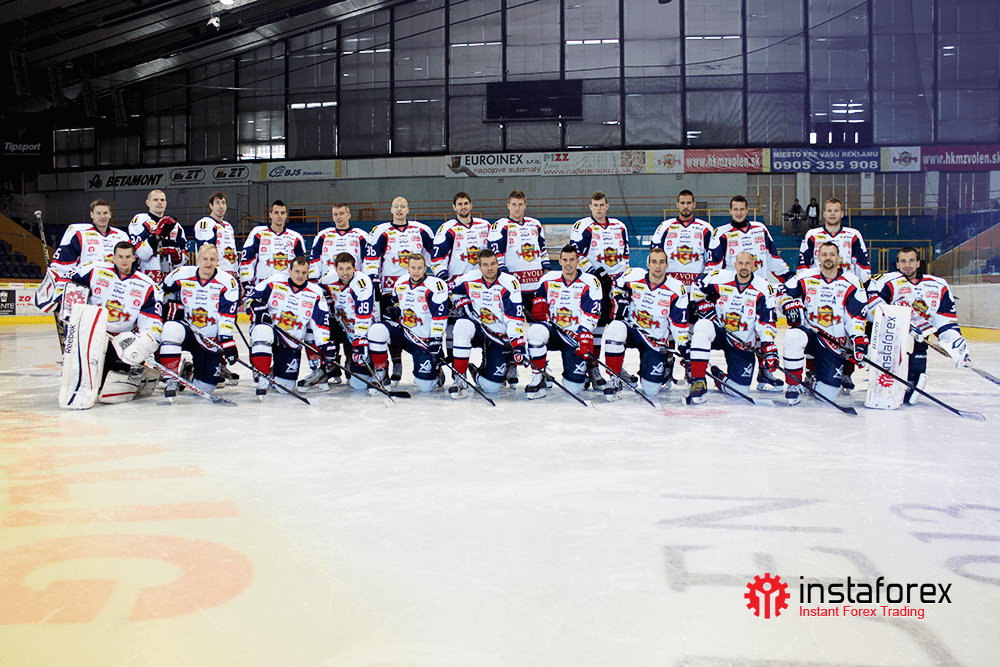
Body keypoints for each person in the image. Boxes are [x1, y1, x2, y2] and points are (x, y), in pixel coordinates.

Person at [55, 241, 164, 404]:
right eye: (120, 256)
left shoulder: (147, 285)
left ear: (134, 258)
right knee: (81, 371)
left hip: (121, 341)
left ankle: (134, 371)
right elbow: (68, 281)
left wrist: (143, 344)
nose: (124, 260)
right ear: (113, 257)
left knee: (108, 377)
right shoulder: (94, 270)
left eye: (127, 257)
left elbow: (152, 320)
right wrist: (66, 304)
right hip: (92, 334)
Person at [706, 195, 791, 392]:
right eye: (735, 209)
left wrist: (789, 278)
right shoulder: (722, 233)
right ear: (730, 211)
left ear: (747, 210)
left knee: (764, 331)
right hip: (733, 295)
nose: (739, 212)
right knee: (737, 333)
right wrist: (711, 290)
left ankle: (765, 372)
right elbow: (713, 267)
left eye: (742, 209)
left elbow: (773, 257)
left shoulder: (760, 229)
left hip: (759, 291)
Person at [869, 247, 970, 404]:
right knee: (887, 387)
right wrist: (903, 324)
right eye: (903, 261)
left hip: (920, 341)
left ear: (918, 263)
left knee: (909, 393)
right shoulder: (886, 281)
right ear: (897, 264)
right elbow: (872, 307)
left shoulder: (938, 285)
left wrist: (953, 339)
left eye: (911, 261)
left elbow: (944, 319)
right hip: (891, 340)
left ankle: (911, 381)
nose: (907, 265)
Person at [798, 196, 872, 394]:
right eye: (829, 210)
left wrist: (863, 289)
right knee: (814, 327)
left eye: (836, 210)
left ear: (842, 213)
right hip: (816, 290)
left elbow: (862, 264)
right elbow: (803, 264)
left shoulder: (853, 235)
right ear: (823, 213)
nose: (832, 214)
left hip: (845, 290)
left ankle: (846, 373)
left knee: (846, 331)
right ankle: (811, 371)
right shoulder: (812, 235)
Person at [780, 242, 868, 406]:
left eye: (832, 254)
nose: (828, 258)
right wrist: (787, 304)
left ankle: (811, 383)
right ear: (818, 257)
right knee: (793, 335)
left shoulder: (852, 282)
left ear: (839, 258)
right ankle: (794, 384)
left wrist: (858, 339)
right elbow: (782, 294)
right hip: (811, 334)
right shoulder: (805, 276)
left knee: (827, 395)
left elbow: (855, 317)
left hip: (833, 343)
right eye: (824, 254)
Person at [36, 199, 132, 347]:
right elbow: (64, 264)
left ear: (110, 214)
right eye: (98, 213)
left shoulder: (121, 236)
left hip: (112, 291)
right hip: (86, 291)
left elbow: (130, 264)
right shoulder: (79, 233)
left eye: (105, 213)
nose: (102, 217)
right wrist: (59, 287)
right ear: (91, 215)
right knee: (80, 332)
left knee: (110, 331)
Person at [687, 251, 778, 404]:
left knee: (740, 390)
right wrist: (704, 306)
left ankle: (718, 376)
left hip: (742, 342)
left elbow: (766, 321)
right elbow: (697, 284)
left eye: (748, 263)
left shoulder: (763, 288)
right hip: (719, 331)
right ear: (735, 265)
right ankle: (698, 380)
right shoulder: (720, 278)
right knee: (702, 326)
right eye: (741, 263)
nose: (744, 267)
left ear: (754, 265)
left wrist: (769, 346)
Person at [363, 197, 435, 384]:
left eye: (403, 206)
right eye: (396, 206)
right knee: (391, 328)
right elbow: (372, 258)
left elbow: (434, 258)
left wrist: (438, 280)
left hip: (417, 290)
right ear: (391, 209)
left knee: (419, 325)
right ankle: (395, 363)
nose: (399, 210)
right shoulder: (381, 231)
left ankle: (431, 362)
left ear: (408, 209)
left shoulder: (421, 230)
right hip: (389, 290)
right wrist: (373, 280)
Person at [603, 247, 689, 401]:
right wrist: (620, 300)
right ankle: (614, 377)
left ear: (667, 265)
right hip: (633, 330)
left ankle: (664, 365)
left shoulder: (676, 288)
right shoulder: (633, 275)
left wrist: (684, 347)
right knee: (615, 327)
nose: (658, 266)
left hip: (655, 340)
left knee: (651, 390)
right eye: (654, 262)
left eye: (661, 262)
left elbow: (678, 322)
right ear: (648, 264)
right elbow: (616, 286)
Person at [159, 244, 240, 401]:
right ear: (197, 260)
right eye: (205, 259)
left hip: (209, 339)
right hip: (188, 331)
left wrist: (227, 342)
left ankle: (188, 372)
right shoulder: (181, 274)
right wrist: (168, 307)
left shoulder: (227, 282)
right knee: (170, 328)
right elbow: (159, 291)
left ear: (217, 261)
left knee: (204, 388)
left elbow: (227, 315)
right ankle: (171, 379)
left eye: (212, 259)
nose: (208, 263)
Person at [569, 191, 630, 391]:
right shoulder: (582, 226)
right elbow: (576, 254)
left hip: (617, 285)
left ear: (607, 206)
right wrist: (596, 273)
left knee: (619, 326)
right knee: (596, 326)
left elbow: (625, 256)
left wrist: (625, 280)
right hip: (596, 284)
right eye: (595, 205)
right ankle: (593, 367)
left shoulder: (620, 226)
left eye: (602, 205)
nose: (599, 209)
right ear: (590, 207)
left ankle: (616, 367)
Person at [246, 256, 332, 399]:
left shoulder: (316, 293)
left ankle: (273, 371)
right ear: (289, 270)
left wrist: (325, 344)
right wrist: (258, 309)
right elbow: (250, 299)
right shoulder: (274, 281)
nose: (300, 276)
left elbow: (320, 323)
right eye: (297, 271)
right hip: (271, 331)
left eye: (304, 272)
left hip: (291, 340)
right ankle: (263, 376)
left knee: (285, 388)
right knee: (261, 331)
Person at [524, 245, 602, 399]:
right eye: (565, 260)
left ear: (578, 261)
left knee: (574, 388)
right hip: (553, 332)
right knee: (535, 331)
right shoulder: (548, 279)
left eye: (572, 260)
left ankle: (580, 373)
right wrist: (538, 303)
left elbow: (592, 313)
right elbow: (538, 297)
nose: (568, 264)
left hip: (574, 336)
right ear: (559, 261)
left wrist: (584, 332)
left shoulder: (591, 282)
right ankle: (538, 376)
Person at [449, 248, 526, 398]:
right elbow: (450, 290)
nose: (489, 268)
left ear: (498, 264)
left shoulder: (510, 283)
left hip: (498, 335)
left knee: (491, 387)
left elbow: (514, 318)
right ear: (479, 267)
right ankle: (459, 375)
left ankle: (476, 371)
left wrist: (517, 345)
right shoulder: (469, 278)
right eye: (485, 264)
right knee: (461, 326)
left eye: (492, 264)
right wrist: (461, 302)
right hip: (478, 328)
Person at [367, 253, 449, 393]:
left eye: (420, 268)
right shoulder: (400, 282)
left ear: (425, 268)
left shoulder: (436, 285)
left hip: (423, 340)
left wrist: (436, 340)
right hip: (404, 333)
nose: (416, 271)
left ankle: (435, 371)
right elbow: (396, 304)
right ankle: (381, 373)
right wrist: (394, 311)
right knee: (376, 331)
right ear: (408, 268)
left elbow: (439, 316)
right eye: (413, 268)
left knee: (426, 387)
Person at [192, 191, 241, 386]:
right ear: (210, 206)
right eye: (217, 203)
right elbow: (208, 253)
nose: (221, 206)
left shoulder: (228, 226)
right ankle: (208, 364)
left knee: (225, 323)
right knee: (211, 322)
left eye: (223, 202)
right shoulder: (205, 223)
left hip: (229, 281)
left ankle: (221, 363)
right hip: (214, 281)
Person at [314, 252, 378, 392]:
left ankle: (375, 370)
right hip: (341, 323)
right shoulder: (329, 278)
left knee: (359, 384)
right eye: (341, 269)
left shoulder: (363, 283)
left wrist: (360, 341)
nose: (345, 273)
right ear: (335, 268)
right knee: (320, 328)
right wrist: (326, 297)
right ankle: (328, 367)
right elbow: (317, 288)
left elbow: (363, 316)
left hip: (364, 328)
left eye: (348, 268)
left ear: (355, 268)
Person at [487, 189, 551, 308]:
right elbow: (496, 255)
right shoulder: (500, 226)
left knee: (538, 318)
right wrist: (505, 278)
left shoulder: (535, 224)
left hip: (536, 285)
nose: (517, 208)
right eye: (514, 204)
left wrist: (546, 273)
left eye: (520, 204)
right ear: (508, 205)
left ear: (525, 205)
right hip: (514, 286)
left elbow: (543, 250)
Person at [239, 200, 308, 297]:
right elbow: (247, 260)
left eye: (282, 213)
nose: (279, 216)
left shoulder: (296, 237)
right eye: (276, 212)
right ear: (270, 214)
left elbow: (303, 265)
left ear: (286, 215)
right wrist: (246, 283)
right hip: (262, 288)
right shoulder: (258, 233)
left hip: (287, 290)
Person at [649, 189, 713, 288]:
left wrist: (706, 284)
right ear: (677, 205)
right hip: (670, 288)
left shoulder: (705, 228)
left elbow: (713, 261)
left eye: (689, 203)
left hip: (696, 288)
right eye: (682, 203)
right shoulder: (664, 227)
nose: (686, 206)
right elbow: (654, 257)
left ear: (694, 205)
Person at [431, 192, 492, 285]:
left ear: (471, 205)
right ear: (454, 207)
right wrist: (444, 278)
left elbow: (495, 253)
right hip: (457, 282)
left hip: (482, 282)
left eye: (466, 203)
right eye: (460, 204)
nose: (463, 207)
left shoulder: (485, 225)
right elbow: (438, 257)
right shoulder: (447, 229)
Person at [129, 189, 187, 284]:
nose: (159, 202)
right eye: (155, 200)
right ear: (148, 203)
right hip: (145, 279)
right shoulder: (140, 220)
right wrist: (156, 238)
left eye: (162, 200)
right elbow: (141, 253)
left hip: (169, 280)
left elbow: (184, 257)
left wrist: (177, 256)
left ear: (166, 203)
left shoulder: (176, 226)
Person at [309, 203, 372, 281]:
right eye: (335, 214)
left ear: (349, 215)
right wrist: (313, 278)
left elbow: (368, 260)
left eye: (341, 213)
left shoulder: (361, 235)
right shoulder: (323, 235)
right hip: (328, 282)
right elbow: (314, 259)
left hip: (353, 282)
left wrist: (368, 278)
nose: (338, 217)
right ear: (333, 217)